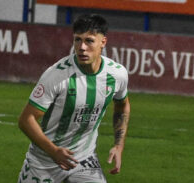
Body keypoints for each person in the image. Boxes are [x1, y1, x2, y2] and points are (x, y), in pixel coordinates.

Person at [17, 14, 130, 183]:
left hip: (84, 159)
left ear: (103, 42)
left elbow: (122, 106)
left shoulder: (117, 74)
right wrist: (54, 151)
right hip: (45, 161)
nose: (82, 47)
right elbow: (26, 119)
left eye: (89, 41)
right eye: (77, 40)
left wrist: (118, 145)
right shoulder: (56, 75)